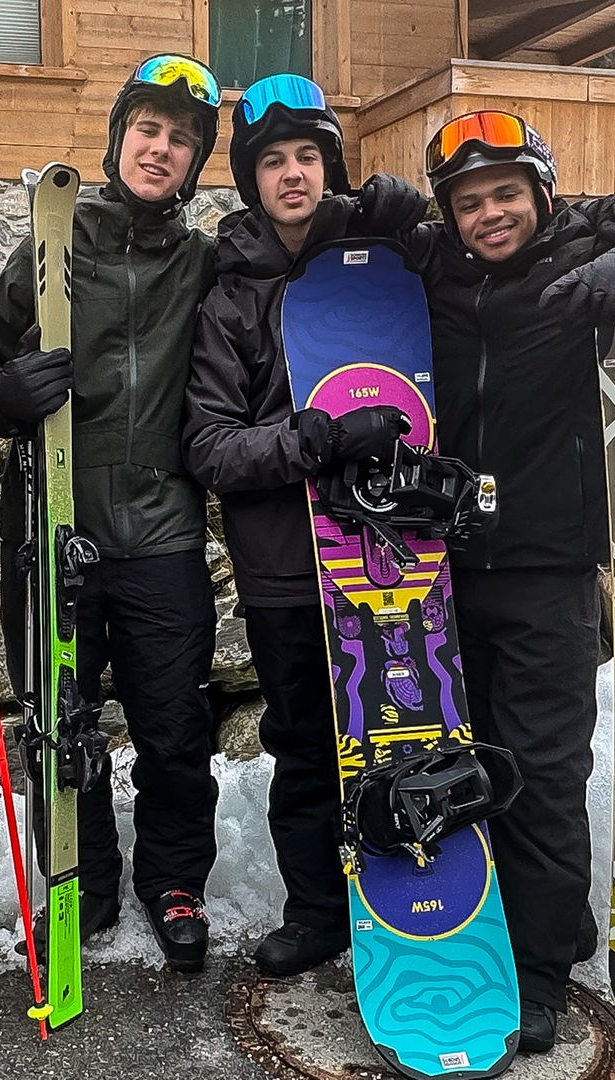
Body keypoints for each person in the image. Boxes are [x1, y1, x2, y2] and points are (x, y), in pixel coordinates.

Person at [407, 109, 615, 1052]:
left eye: (506, 195)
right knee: (457, 764)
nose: (490, 216)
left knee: (540, 774)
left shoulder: (596, 237)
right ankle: (502, 929)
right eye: (470, 202)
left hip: (552, 570)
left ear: (542, 194)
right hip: (439, 567)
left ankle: (537, 973)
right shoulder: (430, 263)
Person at [0, 53, 223, 973]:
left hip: (161, 531)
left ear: (195, 164)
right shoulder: (50, 238)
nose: (160, 151)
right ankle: (82, 879)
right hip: (57, 526)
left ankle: (173, 883)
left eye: (181, 141)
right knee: (58, 719)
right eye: (148, 131)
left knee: (172, 726)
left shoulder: (204, 261)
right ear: (119, 138)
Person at [180, 73, 429, 978]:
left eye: (309, 156)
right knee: (305, 751)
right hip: (290, 566)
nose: (293, 174)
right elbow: (211, 447)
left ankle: (418, 899)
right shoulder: (230, 300)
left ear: (331, 167)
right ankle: (321, 910)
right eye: (273, 160)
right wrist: (318, 437)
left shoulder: (385, 267)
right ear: (251, 180)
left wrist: (410, 213)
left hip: (398, 557)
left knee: (406, 732)